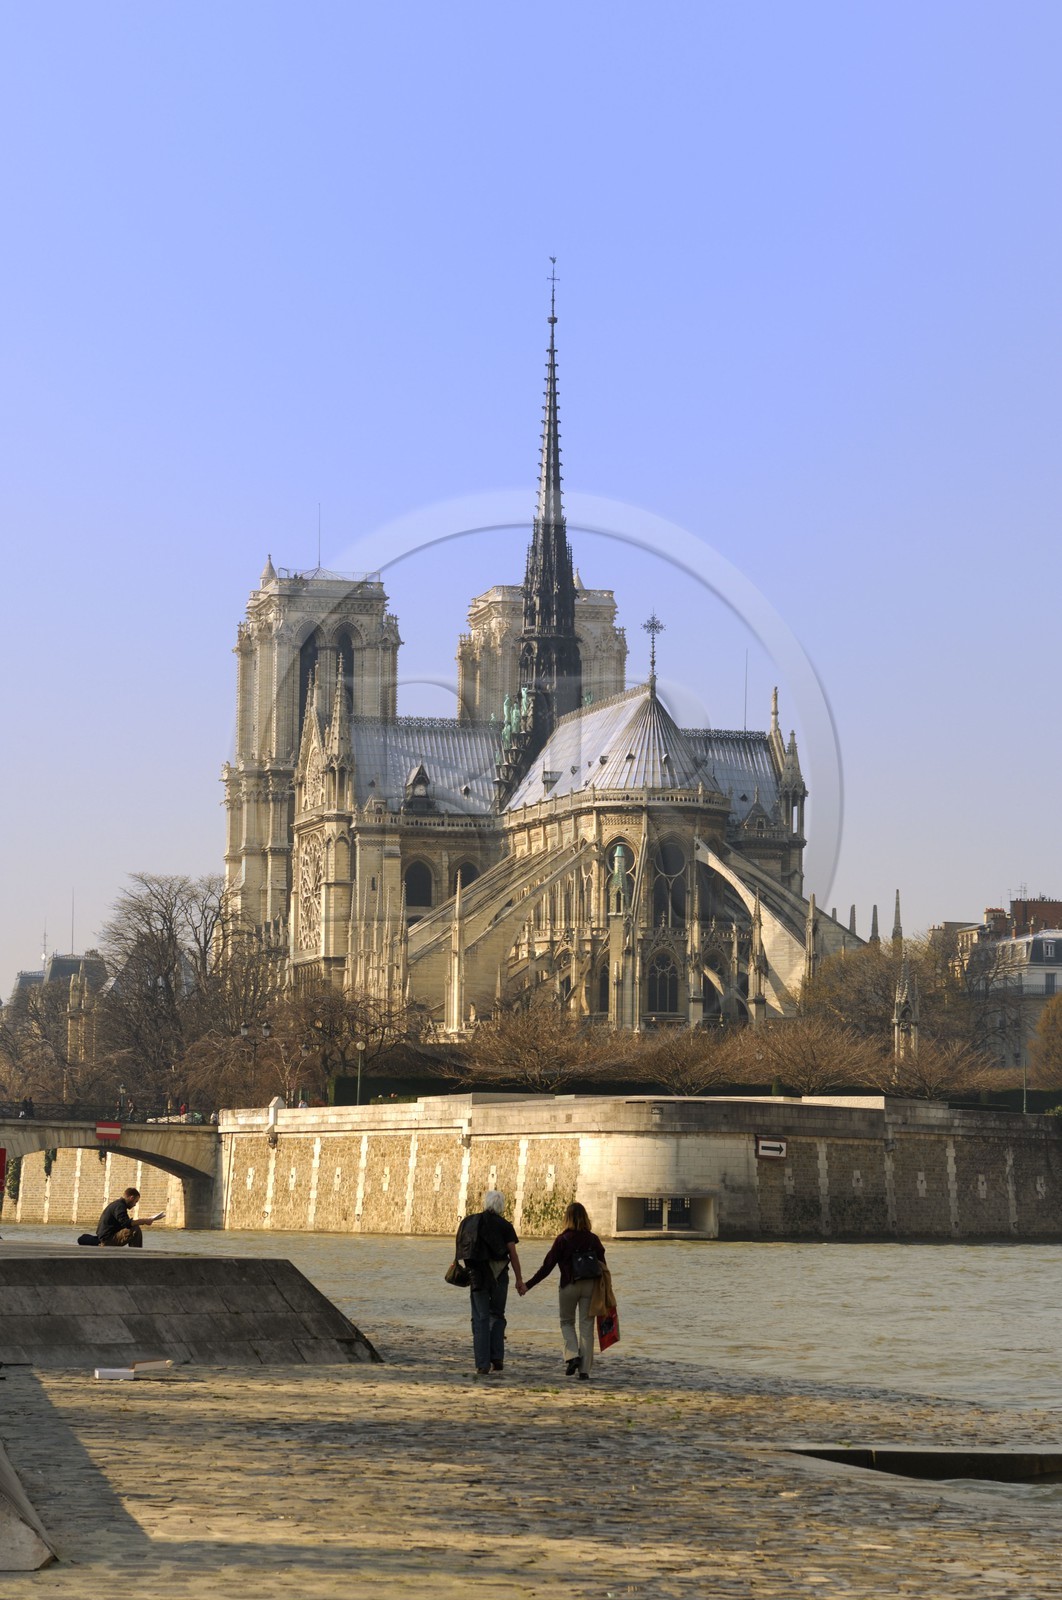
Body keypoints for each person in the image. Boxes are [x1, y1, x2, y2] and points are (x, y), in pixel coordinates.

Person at [520, 1201, 606, 1381]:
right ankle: (584, 1371)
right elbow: (603, 1265)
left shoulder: (562, 1240)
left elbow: (547, 1267)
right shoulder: (593, 1239)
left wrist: (527, 1285)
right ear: (585, 1218)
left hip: (568, 1285)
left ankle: (572, 1355)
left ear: (566, 1218)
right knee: (586, 1327)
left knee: (566, 1323)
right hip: (590, 1286)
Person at [456, 1189, 524, 1378]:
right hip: (499, 1275)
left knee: (480, 1318)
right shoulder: (505, 1226)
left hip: (477, 1275)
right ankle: (498, 1358)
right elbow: (513, 1254)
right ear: (501, 1206)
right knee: (497, 1315)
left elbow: (462, 1248)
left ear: (486, 1204)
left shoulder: (472, 1222)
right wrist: (519, 1280)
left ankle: (482, 1365)